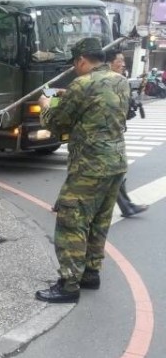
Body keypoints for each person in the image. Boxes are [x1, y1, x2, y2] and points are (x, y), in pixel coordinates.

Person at [36, 38, 129, 303]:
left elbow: (56, 123)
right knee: (99, 222)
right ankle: (90, 274)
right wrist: (72, 97)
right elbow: (100, 105)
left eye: (76, 64)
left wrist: (45, 106)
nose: (76, 69)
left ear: (81, 61)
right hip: (116, 163)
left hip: (89, 166)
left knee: (71, 221)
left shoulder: (81, 83)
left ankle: (68, 284)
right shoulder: (119, 80)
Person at [105, 49, 149, 218]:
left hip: (108, 135)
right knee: (116, 172)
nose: (123, 64)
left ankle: (127, 206)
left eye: (124, 61)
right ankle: (127, 207)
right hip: (104, 137)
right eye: (119, 61)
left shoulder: (117, 81)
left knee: (80, 172)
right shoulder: (109, 82)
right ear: (110, 63)